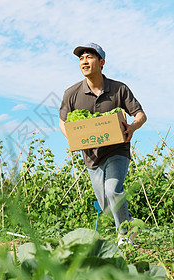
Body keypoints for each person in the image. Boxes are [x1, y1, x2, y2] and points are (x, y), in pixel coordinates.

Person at [59, 42, 147, 245]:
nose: (84, 61)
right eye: (81, 58)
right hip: (91, 157)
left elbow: (140, 114)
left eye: (89, 57)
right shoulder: (71, 93)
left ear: (102, 62)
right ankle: (130, 222)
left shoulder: (119, 89)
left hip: (118, 150)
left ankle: (124, 237)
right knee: (106, 206)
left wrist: (132, 128)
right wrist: (72, 137)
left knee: (113, 189)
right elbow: (63, 121)